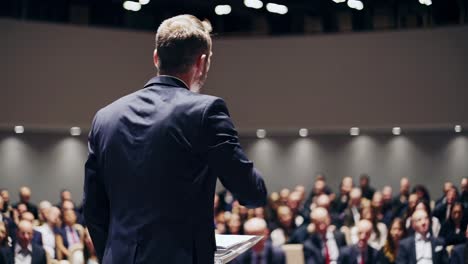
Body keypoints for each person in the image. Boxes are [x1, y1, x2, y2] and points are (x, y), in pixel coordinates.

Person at [83, 14, 267, 264]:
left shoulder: (105, 117)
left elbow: (94, 210)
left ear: (156, 57)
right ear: (201, 63)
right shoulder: (205, 112)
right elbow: (251, 193)